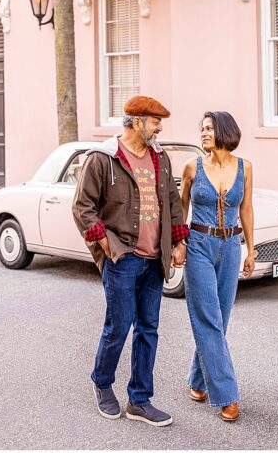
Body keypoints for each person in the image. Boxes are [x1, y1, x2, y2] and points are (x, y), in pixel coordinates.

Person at [72, 95, 189, 427]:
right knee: (119, 326)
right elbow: (82, 207)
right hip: (122, 257)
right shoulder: (103, 158)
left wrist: (179, 240)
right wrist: (105, 244)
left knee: (148, 329)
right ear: (137, 123)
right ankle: (102, 381)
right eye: (155, 121)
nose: (160, 127)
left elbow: (171, 200)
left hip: (155, 260)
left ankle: (139, 399)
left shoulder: (159, 157)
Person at [180, 111, 256, 422]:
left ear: (224, 131)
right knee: (208, 318)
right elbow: (180, 207)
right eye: (202, 129)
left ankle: (198, 380)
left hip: (231, 247)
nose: (204, 133)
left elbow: (247, 208)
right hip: (198, 243)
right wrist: (177, 244)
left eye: (209, 128)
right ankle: (227, 394)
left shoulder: (245, 167)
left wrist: (251, 249)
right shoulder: (191, 167)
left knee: (220, 318)